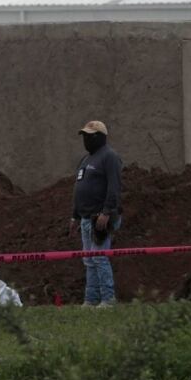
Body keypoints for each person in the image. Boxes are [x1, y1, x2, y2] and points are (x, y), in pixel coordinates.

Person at [70, 120, 122, 308]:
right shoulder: (85, 160)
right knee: (89, 260)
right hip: (85, 217)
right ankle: (91, 299)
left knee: (99, 257)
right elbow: (79, 188)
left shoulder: (109, 157)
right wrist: (75, 216)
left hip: (100, 218)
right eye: (84, 136)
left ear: (99, 137)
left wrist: (107, 212)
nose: (86, 139)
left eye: (89, 136)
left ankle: (108, 299)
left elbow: (114, 187)